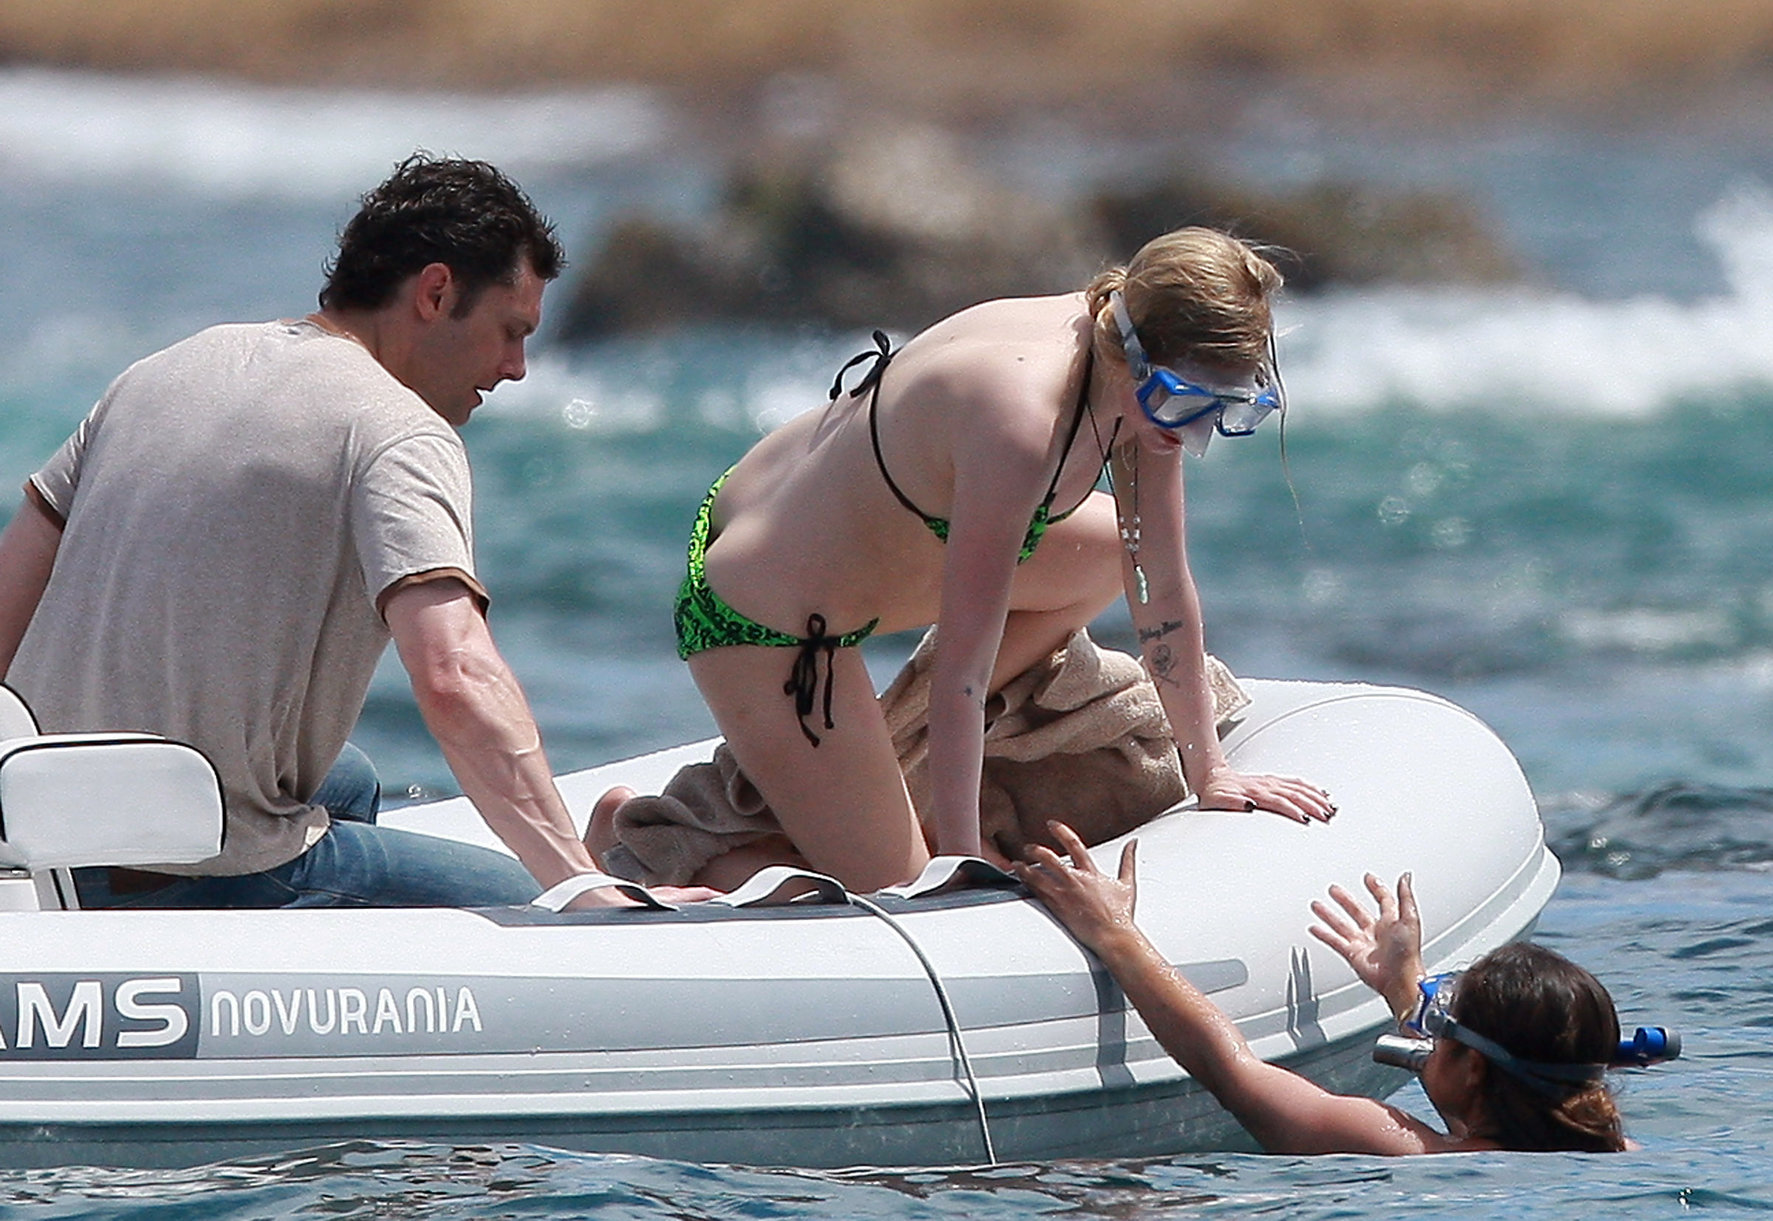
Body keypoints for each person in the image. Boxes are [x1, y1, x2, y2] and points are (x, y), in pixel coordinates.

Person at [0, 154, 674, 911]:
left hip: (42, 824)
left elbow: (8, 597)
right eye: (509, 331)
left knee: (346, 774)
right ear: (436, 291)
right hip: (201, 866)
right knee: (527, 900)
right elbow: (453, 676)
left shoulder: (158, 373)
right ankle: (592, 870)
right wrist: (577, 885)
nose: (517, 367)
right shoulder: (397, 432)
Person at [594, 227, 1334, 893]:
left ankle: (863, 772)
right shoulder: (1019, 419)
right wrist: (958, 855)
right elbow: (963, 668)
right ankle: (645, 841)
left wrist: (1209, 769)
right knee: (894, 890)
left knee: (1111, 543)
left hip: (842, 545)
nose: (1196, 430)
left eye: (1229, 409)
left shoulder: (1129, 361)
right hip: (764, 615)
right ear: (1136, 354)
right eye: (1184, 403)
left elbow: (1161, 579)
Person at [1016, 821, 1631, 1154]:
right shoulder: (1615, 1153)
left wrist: (1115, 931)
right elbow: (1497, 1107)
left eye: (1438, 1027)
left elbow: (1230, 1068)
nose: (1424, 1030)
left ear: (1474, 1069)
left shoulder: (1401, 1150)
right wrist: (1401, 985)